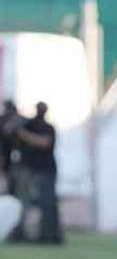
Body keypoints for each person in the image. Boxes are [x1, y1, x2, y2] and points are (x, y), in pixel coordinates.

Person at [9, 102, 63, 243]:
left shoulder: (48, 128)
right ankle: (20, 234)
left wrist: (23, 134)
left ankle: (49, 235)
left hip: (45, 170)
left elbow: (44, 142)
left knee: (47, 204)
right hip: (28, 170)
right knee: (23, 203)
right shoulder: (28, 125)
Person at [0, 100, 20, 194]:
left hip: (16, 156)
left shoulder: (18, 121)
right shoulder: (2, 120)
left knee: (13, 180)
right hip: (5, 155)